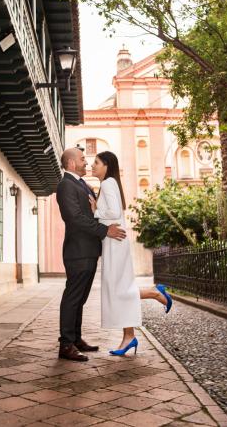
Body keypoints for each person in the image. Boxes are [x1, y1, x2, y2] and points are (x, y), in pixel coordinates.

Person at [90, 151, 172, 356]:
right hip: (113, 242)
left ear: (106, 165)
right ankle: (129, 336)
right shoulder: (108, 184)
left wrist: (95, 211)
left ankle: (155, 293)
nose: (93, 166)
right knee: (118, 289)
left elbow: (115, 212)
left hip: (115, 242)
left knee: (118, 290)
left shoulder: (108, 183)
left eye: (96, 163)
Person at [56, 147, 127, 362]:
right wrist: (106, 231)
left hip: (89, 250)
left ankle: (76, 339)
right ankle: (66, 344)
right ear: (70, 164)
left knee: (80, 298)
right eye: (81, 159)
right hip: (77, 251)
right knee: (73, 298)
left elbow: (93, 213)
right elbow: (75, 218)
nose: (86, 162)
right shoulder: (65, 185)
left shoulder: (81, 183)